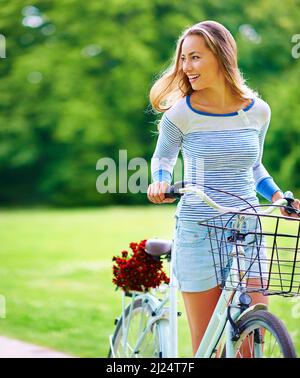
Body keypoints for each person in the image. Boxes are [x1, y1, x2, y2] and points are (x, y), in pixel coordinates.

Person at [147, 20, 300, 356]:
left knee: (252, 339)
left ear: (221, 56)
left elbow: (254, 166)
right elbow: (163, 160)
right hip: (198, 231)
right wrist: (160, 180)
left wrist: (278, 196)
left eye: (195, 57)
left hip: (247, 228)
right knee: (209, 347)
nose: (186, 67)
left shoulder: (258, 111)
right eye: (183, 59)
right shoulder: (180, 115)